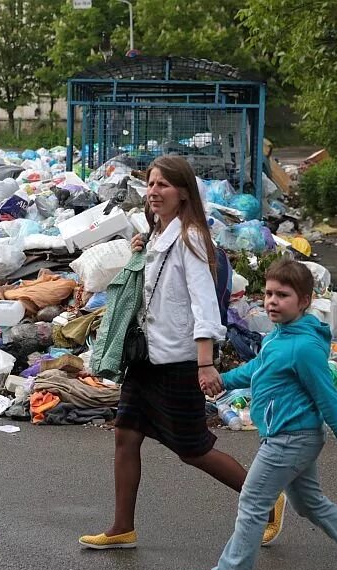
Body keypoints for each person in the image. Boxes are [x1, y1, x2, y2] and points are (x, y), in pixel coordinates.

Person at [80, 155, 285, 550]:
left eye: (164, 185)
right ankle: (123, 526)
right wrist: (141, 252)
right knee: (125, 434)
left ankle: (266, 498)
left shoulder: (190, 239)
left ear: (183, 193)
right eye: (152, 184)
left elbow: (204, 305)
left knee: (193, 449)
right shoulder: (157, 235)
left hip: (178, 361)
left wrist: (205, 363)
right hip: (146, 359)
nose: (154, 192)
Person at [185, 259, 337, 570]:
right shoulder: (279, 336)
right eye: (268, 293)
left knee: (252, 501)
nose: (272, 301)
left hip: (291, 438)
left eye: (283, 295)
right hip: (290, 435)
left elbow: (328, 398)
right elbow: (259, 371)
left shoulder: (303, 347)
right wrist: (218, 381)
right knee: (309, 503)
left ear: (304, 301)